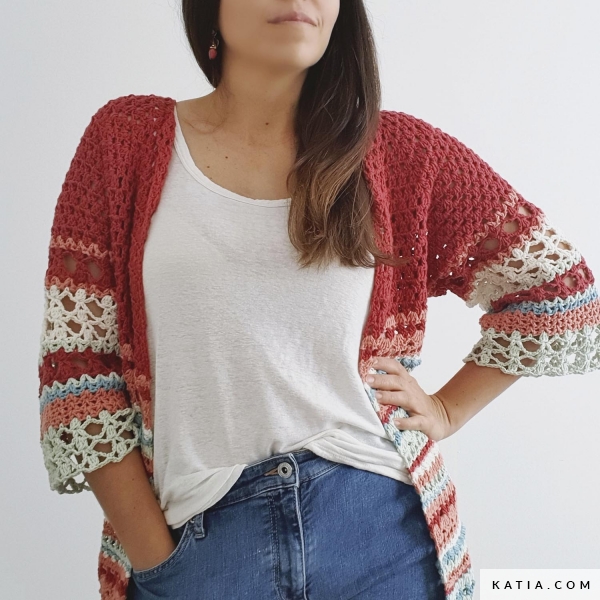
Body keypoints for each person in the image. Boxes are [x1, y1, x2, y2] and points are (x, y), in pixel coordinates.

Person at [37, 2, 600, 599]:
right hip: (199, 548)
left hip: (380, 534)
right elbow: (78, 368)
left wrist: (446, 409)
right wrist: (155, 558)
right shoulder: (127, 143)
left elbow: (560, 292)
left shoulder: (398, 154)